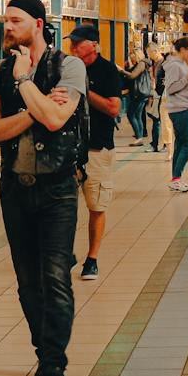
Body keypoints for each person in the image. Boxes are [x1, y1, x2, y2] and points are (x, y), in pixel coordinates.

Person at [0, 0, 87, 376]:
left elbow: (59, 118)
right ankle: (44, 352)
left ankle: (54, 362)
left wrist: (26, 85)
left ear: (38, 24)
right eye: (6, 21)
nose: (8, 27)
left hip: (58, 189)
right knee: (28, 283)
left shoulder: (69, 66)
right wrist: (34, 109)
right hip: (14, 187)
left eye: (16, 20)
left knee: (56, 277)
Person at [67, 25, 122, 281]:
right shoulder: (66, 68)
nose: (73, 48)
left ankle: (92, 258)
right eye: (72, 43)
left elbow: (113, 108)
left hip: (97, 148)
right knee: (63, 205)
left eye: (78, 43)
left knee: (96, 206)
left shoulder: (107, 70)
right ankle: (65, 253)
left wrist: (83, 91)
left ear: (94, 45)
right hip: (67, 148)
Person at [161, 38, 188, 189]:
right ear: (182, 50)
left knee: (181, 144)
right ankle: (176, 178)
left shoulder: (183, 64)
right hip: (178, 108)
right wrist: (187, 77)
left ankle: (176, 178)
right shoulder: (174, 66)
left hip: (183, 106)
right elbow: (170, 88)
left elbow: (185, 85)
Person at [121, 47, 152, 146]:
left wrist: (121, 70)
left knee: (130, 114)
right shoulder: (142, 64)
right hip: (142, 93)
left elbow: (132, 76)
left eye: (132, 55)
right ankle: (140, 137)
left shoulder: (142, 63)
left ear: (136, 55)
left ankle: (139, 137)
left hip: (138, 94)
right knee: (137, 115)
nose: (131, 57)